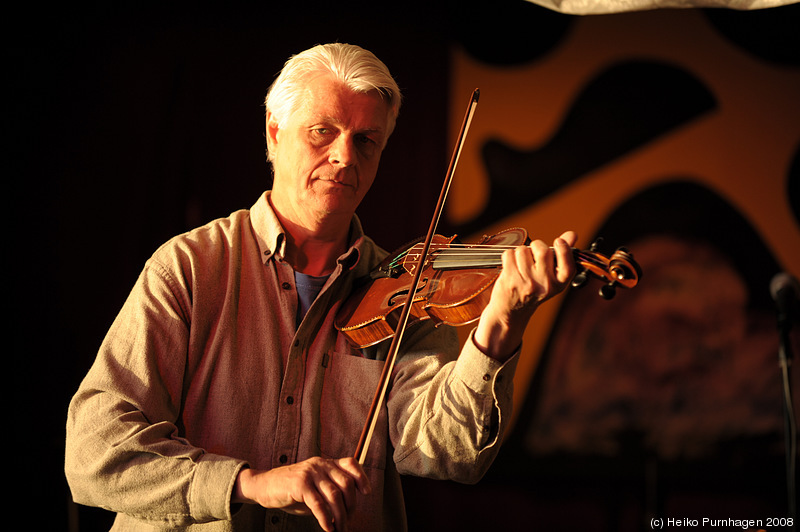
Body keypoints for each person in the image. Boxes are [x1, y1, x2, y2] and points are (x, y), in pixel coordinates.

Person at [65, 43, 577, 532]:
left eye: (365, 141)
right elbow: (95, 452)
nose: (344, 157)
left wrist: (501, 324)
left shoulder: (407, 287)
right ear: (273, 133)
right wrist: (249, 484)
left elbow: (449, 452)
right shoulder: (190, 268)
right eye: (322, 132)